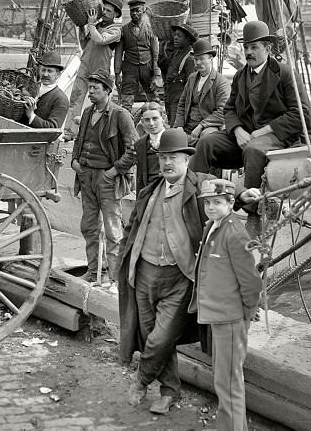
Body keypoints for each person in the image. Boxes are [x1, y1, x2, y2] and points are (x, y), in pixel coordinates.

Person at [190, 21, 311, 233]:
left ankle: (253, 214)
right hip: (245, 133)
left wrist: (263, 131)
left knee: (254, 149)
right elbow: (229, 109)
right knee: (206, 143)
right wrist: (237, 130)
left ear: (267, 49)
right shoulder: (241, 76)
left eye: (254, 47)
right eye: (246, 47)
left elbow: (301, 114)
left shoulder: (285, 74)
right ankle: (200, 203)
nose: (248, 52)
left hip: (280, 136)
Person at [117, 127, 210, 416]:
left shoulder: (200, 190)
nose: (167, 163)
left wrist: (247, 194)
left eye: (173, 158)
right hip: (143, 273)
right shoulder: (150, 191)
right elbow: (132, 228)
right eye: (163, 158)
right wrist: (121, 260)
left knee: (161, 337)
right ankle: (169, 392)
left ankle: (141, 380)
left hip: (179, 277)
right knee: (153, 337)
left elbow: (228, 198)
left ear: (186, 160)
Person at [190, 178, 261, 431]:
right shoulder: (214, 225)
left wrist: (246, 315)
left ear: (231, 203)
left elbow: (251, 280)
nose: (210, 207)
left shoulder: (233, 232)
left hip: (231, 317)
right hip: (219, 314)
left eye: (217, 202)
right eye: (207, 202)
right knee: (224, 380)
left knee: (229, 382)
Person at [71, 70, 137, 283]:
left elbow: (134, 149)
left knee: (112, 230)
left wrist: (115, 170)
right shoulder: (88, 113)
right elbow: (78, 139)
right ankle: (93, 271)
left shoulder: (120, 115)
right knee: (89, 226)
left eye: (95, 89)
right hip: (86, 177)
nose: (90, 92)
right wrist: (75, 160)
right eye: (89, 88)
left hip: (107, 179)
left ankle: (116, 280)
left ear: (108, 91)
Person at [63, 0, 123, 140]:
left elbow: (100, 40)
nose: (105, 12)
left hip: (99, 73)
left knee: (98, 102)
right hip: (84, 68)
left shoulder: (116, 30)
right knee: (75, 101)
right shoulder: (96, 25)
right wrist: (82, 28)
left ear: (116, 14)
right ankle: (70, 133)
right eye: (104, 9)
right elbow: (85, 45)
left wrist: (90, 24)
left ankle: (97, 133)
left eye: (109, 11)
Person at [173, 39, 231, 144]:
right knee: (171, 137)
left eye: (202, 59)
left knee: (205, 138)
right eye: (196, 59)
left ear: (211, 59)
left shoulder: (221, 82)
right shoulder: (192, 78)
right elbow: (181, 104)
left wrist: (202, 125)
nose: (198, 63)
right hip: (188, 125)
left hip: (209, 126)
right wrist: (179, 126)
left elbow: (223, 111)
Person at [114, 0, 162, 109]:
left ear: (143, 10)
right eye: (132, 11)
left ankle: (158, 120)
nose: (134, 13)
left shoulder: (150, 29)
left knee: (154, 98)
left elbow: (156, 53)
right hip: (129, 68)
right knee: (126, 101)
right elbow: (118, 53)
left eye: (137, 10)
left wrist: (157, 74)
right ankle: (126, 124)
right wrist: (117, 74)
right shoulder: (124, 30)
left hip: (147, 67)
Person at [19, 51, 70, 129]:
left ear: (58, 75)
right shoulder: (31, 88)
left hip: (39, 140)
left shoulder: (61, 99)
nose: (45, 74)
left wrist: (31, 115)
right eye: (43, 70)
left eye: (50, 71)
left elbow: (53, 128)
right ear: (39, 71)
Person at [158, 23, 197, 124]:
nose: (175, 38)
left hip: (179, 100)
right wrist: (161, 49)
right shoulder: (176, 53)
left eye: (179, 36)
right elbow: (163, 66)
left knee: (175, 127)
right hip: (170, 96)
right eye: (174, 35)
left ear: (188, 40)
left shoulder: (190, 59)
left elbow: (190, 85)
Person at [133, 102, 166, 193]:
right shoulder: (140, 144)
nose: (151, 123)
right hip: (150, 191)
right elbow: (140, 177)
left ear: (162, 118)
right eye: (147, 120)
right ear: (142, 122)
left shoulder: (176, 138)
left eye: (155, 119)